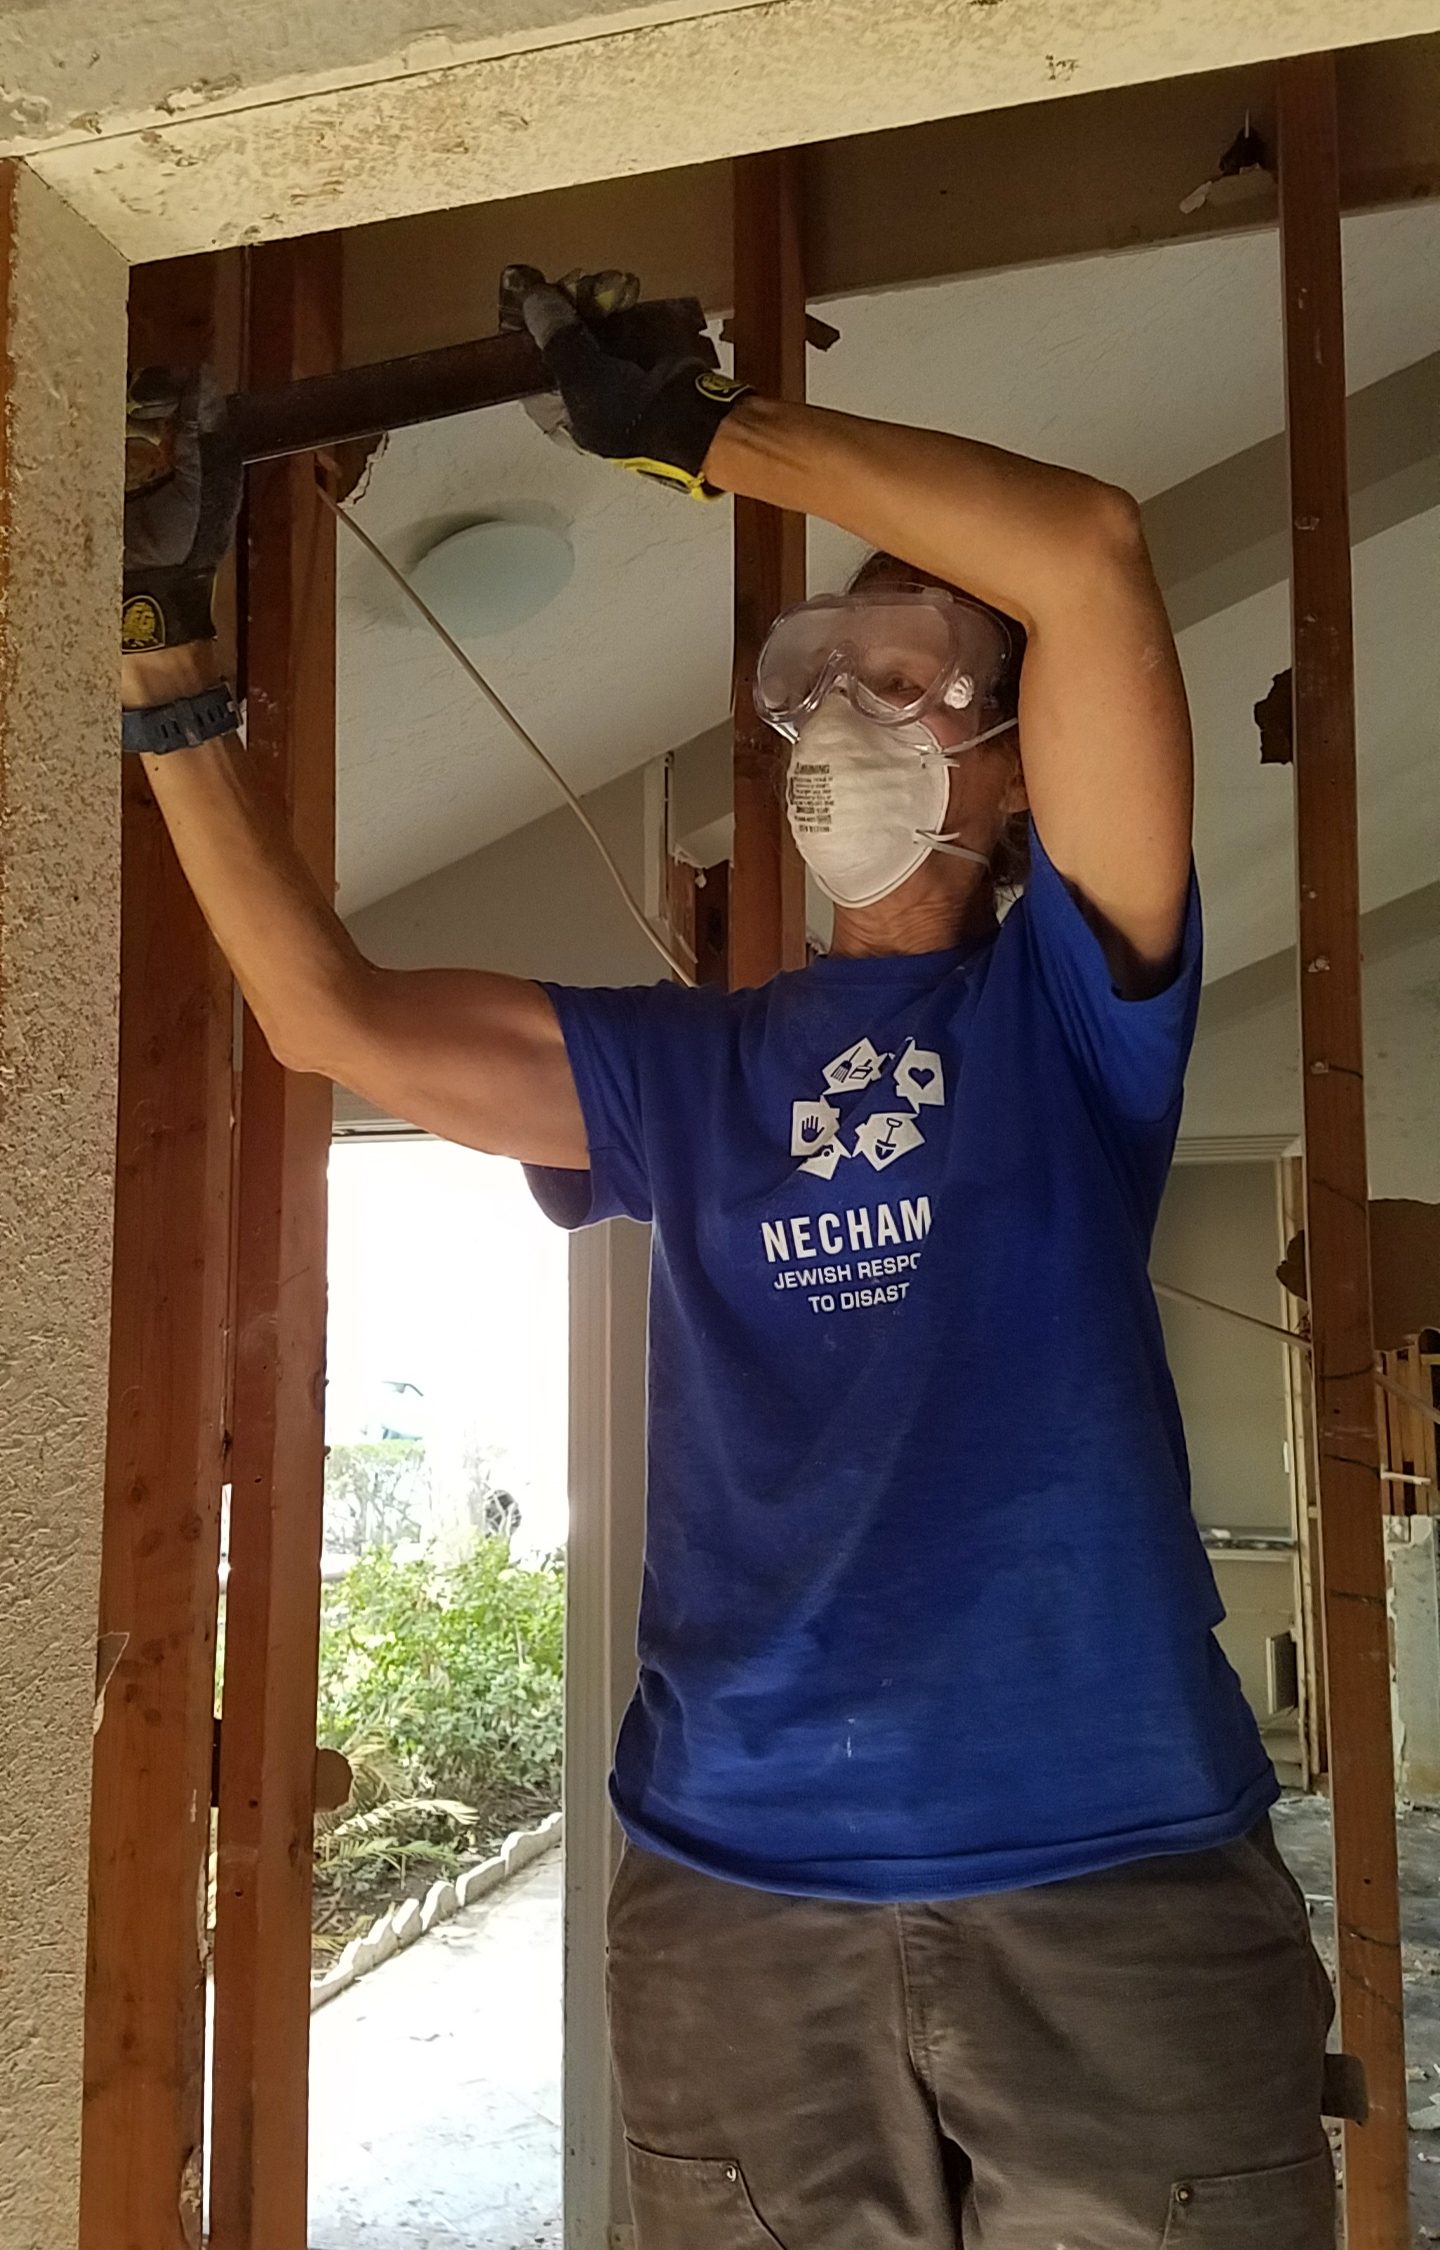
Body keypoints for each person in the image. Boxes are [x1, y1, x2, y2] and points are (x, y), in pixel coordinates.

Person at [121, 281, 1337, 2249]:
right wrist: (158, 663)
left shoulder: (1071, 1011)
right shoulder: (680, 1079)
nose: (855, 710)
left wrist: (707, 431)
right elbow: (322, 1015)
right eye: (829, 666)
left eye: (921, 670)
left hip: (1108, 1876)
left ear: (1021, 765)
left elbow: (1093, 552)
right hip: (739, 1897)